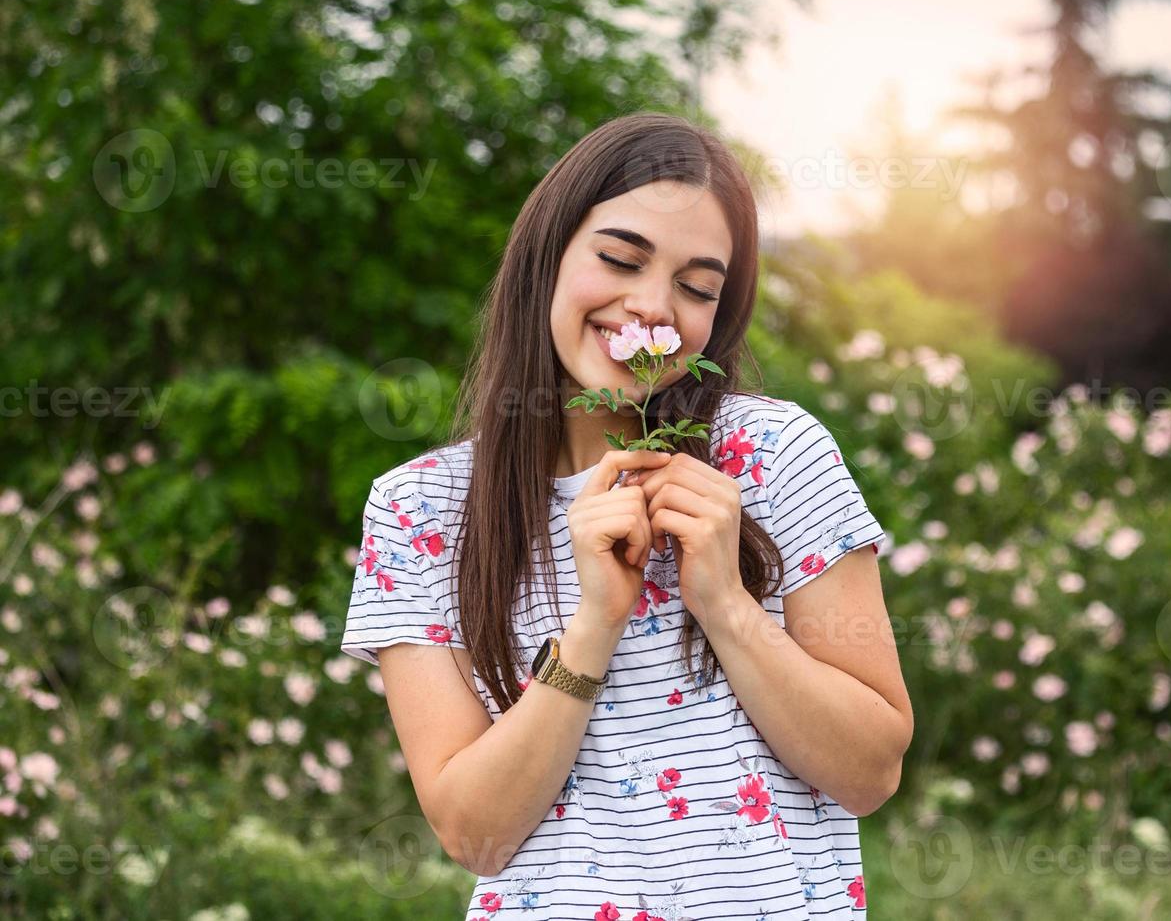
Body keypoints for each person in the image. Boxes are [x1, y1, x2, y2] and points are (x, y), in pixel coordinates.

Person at [341, 111, 912, 920]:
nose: (651, 308)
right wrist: (594, 623)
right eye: (619, 258)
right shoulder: (421, 510)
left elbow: (870, 771)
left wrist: (723, 602)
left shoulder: (772, 455)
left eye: (697, 287)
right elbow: (474, 835)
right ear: (548, 255)